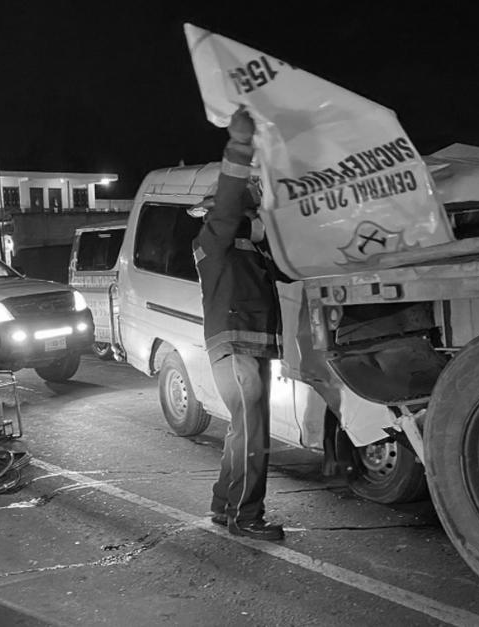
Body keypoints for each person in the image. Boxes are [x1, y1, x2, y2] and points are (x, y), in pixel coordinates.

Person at [191, 108, 285, 541]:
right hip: (234, 351)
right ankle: (248, 517)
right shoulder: (214, 240)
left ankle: (223, 504)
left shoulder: (251, 251)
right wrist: (240, 148)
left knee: (242, 432)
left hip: (250, 350)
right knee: (252, 434)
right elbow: (229, 206)